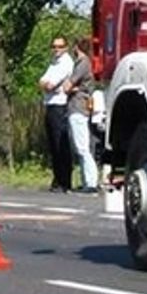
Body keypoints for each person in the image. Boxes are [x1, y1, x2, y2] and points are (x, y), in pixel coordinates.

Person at [39, 35, 74, 192]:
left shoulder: (66, 63)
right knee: (53, 144)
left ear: (66, 47)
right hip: (50, 104)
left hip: (59, 105)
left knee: (61, 143)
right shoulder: (53, 63)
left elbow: (51, 85)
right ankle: (57, 179)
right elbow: (42, 81)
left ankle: (64, 180)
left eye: (60, 47)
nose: (56, 49)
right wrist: (46, 84)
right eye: (54, 46)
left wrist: (48, 85)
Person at [63, 36, 98, 194]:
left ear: (77, 47)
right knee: (81, 145)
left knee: (82, 146)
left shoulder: (82, 63)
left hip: (78, 106)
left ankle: (91, 182)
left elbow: (67, 86)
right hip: (79, 105)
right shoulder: (85, 63)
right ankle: (86, 181)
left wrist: (72, 88)